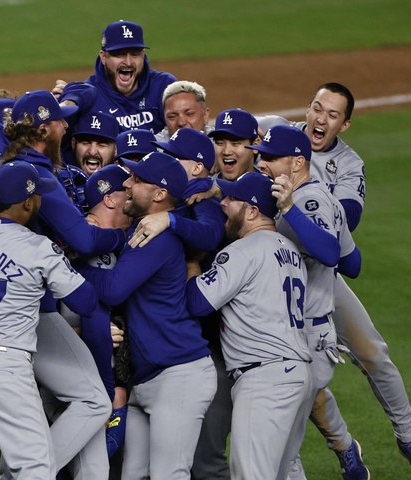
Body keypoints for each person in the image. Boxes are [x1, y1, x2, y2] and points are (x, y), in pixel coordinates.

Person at [265, 83, 411, 480]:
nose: (319, 119)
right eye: (316, 108)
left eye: (331, 114)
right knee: (298, 378)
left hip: (319, 275)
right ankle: (344, 447)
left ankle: (408, 437)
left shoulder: (348, 164)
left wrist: (304, 201)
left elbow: (343, 229)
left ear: (345, 123)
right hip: (273, 279)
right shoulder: (282, 138)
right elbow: (229, 137)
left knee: (373, 353)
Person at [0, 161, 107, 479]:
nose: (40, 199)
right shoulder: (38, 248)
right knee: (35, 470)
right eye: (37, 195)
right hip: (4, 370)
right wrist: (63, 261)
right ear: (28, 202)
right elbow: (86, 302)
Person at [0, 89, 119, 477]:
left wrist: (71, 95)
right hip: (31, 313)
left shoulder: (1, 164)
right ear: (44, 129)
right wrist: (122, 235)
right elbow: (84, 241)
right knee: (94, 400)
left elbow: (82, 96)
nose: (68, 127)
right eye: (61, 121)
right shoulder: (36, 179)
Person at [77, 151, 217, 479]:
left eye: (137, 180)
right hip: (148, 376)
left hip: (178, 374)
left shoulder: (158, 240)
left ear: (159, 194)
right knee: (133, 474)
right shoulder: (143, 229)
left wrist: (71, 267)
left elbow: (112, 289)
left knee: (170, 474)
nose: (127, 183)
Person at [186, 171, 313, 480]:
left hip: (265, 378)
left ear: (253, 211)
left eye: (232, 199)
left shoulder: (244, 250)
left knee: (250, 475)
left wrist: (191, 262)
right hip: (297, 375)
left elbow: (198, 303)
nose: (223, 204)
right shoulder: (290, 250)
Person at [255, 125, 362, 479]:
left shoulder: (305, 201)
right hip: (301, 338)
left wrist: (291, 209)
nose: (262, 163)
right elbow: (353, 262)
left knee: (282, 453)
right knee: (283, 448)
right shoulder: (318, 198)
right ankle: (349, 453)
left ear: (298, 162)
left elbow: (331, 254)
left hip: (308, 340)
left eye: (271, 158)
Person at [56, 20, 177, 134]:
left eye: (135, 54)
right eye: (119, 54)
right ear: (103, 57)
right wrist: (57, 106)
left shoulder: (163, 86)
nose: (128, 62)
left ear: (143, 56)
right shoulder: (89, 95)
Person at [210, 108, 260, 181]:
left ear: (255, 146)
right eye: (220, 143)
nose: (226, 152)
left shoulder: (273, 187)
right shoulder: (203, 190)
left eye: (235, 144)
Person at [71, 111, 119, 175]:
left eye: (102, 144)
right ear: (73, 144)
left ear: (116, 149)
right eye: (85, 143)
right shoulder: (58, 180)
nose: (92, 152)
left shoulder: (127, 183)